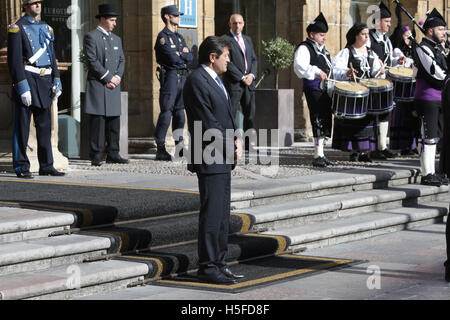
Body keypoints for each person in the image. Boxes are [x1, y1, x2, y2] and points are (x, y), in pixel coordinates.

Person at [183, 36, 244, 285]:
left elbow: (224, 115)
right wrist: (229, 145)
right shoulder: (197, 80)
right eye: (226, 56)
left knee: (221, 213)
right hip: (210, 153)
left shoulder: (217, 79)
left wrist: (236, 139)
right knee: (211, 213)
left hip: (222, 155)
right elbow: (207, 121)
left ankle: (220, 262)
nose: (229, 60)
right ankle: (208, 266)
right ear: (212, 57)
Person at [7, 0, 65, 178]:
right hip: (28, 79)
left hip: (45, 80)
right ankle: (21, 166)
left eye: (39, 2)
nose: (38, 5)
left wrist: (56, 79)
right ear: (25, 6)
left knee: (45, 126)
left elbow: (51, 55)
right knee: (22, 127)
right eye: (34, 3)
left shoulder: (46, 27)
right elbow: (15, 61)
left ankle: (47, 165)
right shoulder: (17, 28)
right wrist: (22, 86)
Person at [83, 4, 128, 167]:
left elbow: (122, 60)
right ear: (102, 19)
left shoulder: (116, 39)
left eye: (115, 20)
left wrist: (117, 77)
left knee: (114, 121)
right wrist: (107, 78)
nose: (115, 23)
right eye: (112, 20)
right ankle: (96, 154)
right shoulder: (91, 37)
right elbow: (92, 61)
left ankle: (113, 153)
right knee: (98, 121)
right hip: (100, 84)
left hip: (113, 84)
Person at [332, 23, 383, 162]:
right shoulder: (347, 52)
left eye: (367, 34)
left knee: (367, 122)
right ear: (356, 35)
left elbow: (376, 73)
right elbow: (335, 70)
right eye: (363, 34)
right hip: (353, 93)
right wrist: (347, 72)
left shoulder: (371, 53)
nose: (367, 36)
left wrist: (380, 72)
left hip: (368, 94)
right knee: (354, 122)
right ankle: (354, 151)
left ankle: (365, 152)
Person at [294, 12, 336, 167]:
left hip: (325, 90)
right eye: (321, 35)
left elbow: (332, 68)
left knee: (325, 118)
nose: (324, 38)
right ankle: (317, 155)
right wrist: (317, 71)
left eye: (325, 35)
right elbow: (300, 67)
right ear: (312, 34)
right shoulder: (304, 48)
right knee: (317, 118)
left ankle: (321, 154)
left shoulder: (323, 50)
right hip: (314, 89)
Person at [367, 1, 408, 160]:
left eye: (390, 22)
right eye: (387, 21)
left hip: (384, 81)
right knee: (372, 114)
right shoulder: (369, 37)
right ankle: (369, 149)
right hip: (371, 81)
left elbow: (389, 59)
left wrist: (396, 61)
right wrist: (376, 67)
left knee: (384, 113)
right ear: (377, 22)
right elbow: (365, 56)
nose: (390, 25)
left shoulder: (386, 40)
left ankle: (382, 146)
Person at [413, 8, 448, 186]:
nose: (444, 33)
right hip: (427, 97)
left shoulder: (438, 49)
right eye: (441, 29)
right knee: (429, 134)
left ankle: (433, 171)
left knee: (436, 135)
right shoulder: (422, 48)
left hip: (439, 98)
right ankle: (427, 174)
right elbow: (436, 73)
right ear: (430, 30)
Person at [154, 5, 193, 161]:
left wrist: (182, 55)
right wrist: (180, 55)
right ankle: (161, 147)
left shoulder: (179, 37)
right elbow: (172, 59)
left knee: (180, 113)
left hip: (182, 77)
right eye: (176, 15)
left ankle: (180, 147)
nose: (178, 17)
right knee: (166, 112)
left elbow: (190, 57)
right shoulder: (162, 37)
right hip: (170, 77)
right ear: (167, 17)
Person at [388, 6, 421, 156]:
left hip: (413, 88)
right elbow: (399, 62)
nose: (409, 38)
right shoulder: (397, 50)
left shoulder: (415, 50)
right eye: (406, 36)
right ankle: (401, 145)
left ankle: (412, 145)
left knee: (413, 116)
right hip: (401, 89)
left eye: (410, 36)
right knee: (402, 116)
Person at [222, 13, 258, 149]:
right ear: (230, 24)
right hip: (234, 83)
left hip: (249, 83)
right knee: (230, 113)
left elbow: (254, 59)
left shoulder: (247, 39)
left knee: (250, 113)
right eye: (234, 23)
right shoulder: (225, 40)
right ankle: (232, 142)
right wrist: (242, 77)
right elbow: (227, 62)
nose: (237, 26)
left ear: (243, 24)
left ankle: (249, 143)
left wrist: (252, 75)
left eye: (240, 23)